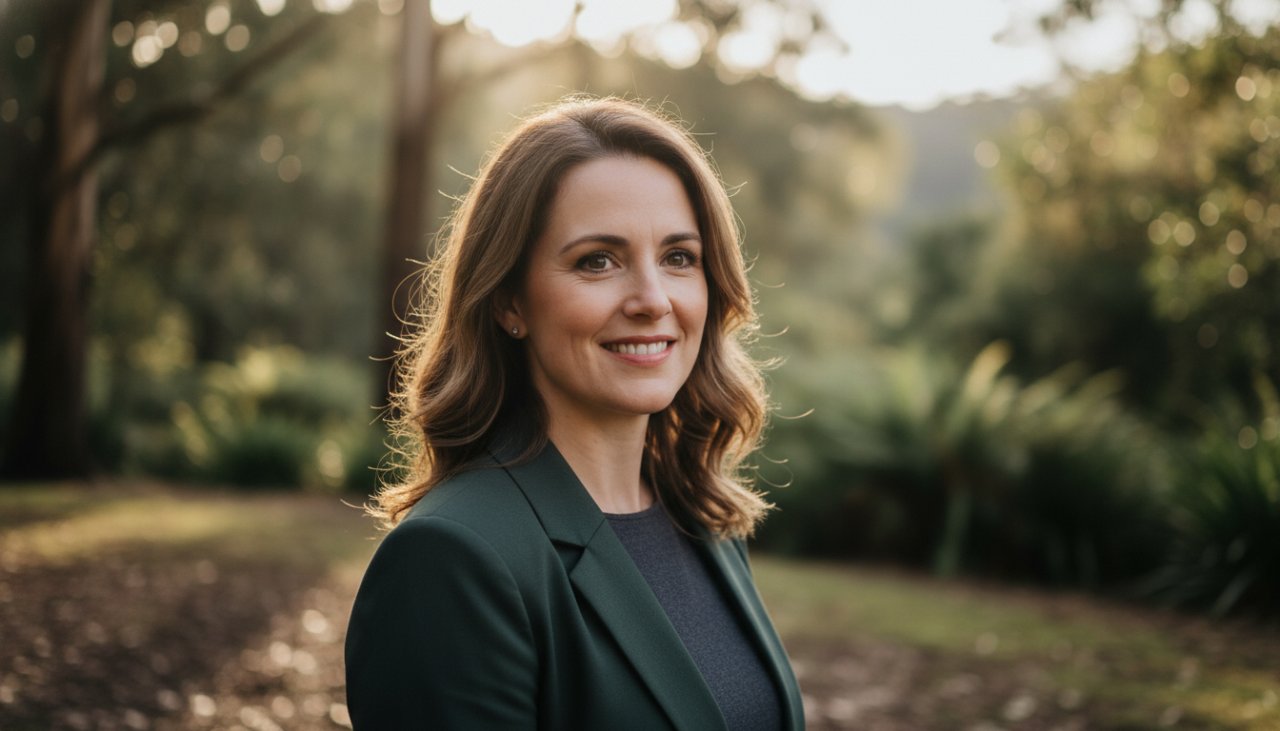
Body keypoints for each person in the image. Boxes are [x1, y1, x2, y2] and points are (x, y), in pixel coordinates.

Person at [344, 97, 804, 730]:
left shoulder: (703, 520)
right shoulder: (449, 559)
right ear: (510, 302)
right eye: (598, 261)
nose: (652, 300)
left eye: (678, 257)